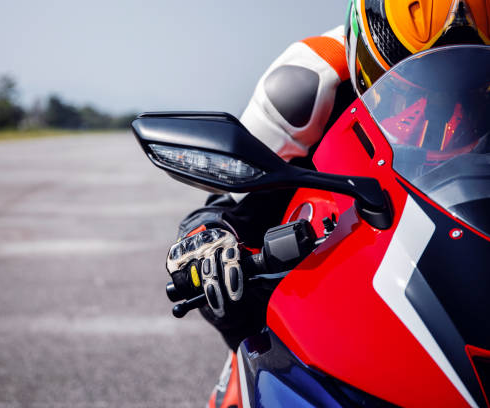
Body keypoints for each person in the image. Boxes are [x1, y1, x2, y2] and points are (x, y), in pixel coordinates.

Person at [164, 1, 490, 406]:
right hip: (336, 288)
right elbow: (234, 204)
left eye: (470, 84)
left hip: (463, 269)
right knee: (246, 358)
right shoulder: (306, 81)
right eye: (416, 89)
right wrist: (211, 238)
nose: (439, 113)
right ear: (369, 48)